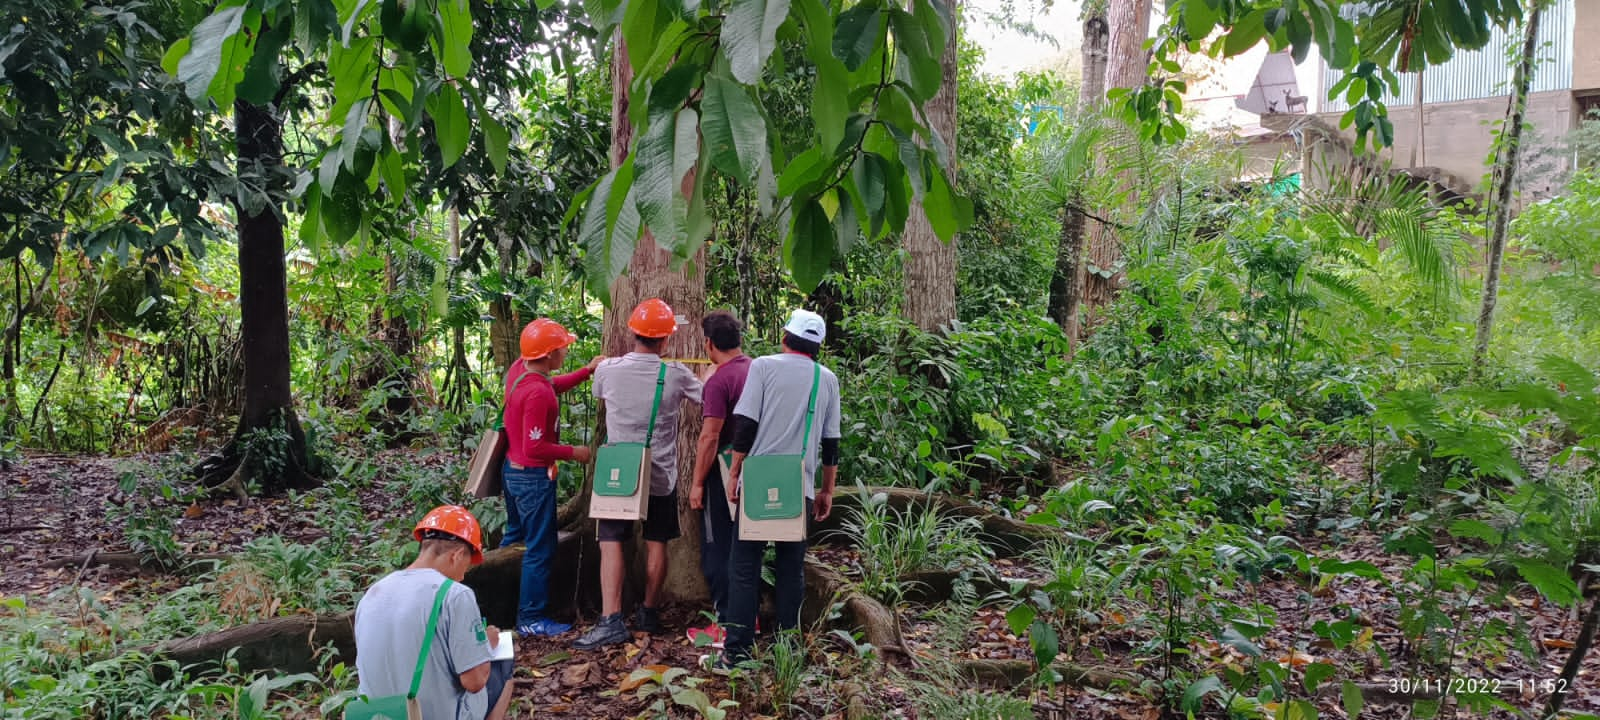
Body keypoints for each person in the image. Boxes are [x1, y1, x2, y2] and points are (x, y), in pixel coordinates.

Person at [574, 298, 703, 650]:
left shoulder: (608, 370)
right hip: (661, 473)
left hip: (619, 471)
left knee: (611, 542)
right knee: (657, 541)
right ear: (664, 341)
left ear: (632, 332)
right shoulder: (675, 373)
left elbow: (600, 392)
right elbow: (704, 397)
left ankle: (611, 619)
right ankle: (648, 611)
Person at [719, 309, 842, 666]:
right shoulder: (827, 379)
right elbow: (831, 441)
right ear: (817, 347)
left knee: (744, 566)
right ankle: (788, 649)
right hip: (798, 484)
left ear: (785, 337)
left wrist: (735, 471)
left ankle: (737, 652)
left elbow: (745, 424)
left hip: (758, 479)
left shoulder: (763, 366)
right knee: (791, 568)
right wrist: (827, 490)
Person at [354, 506, 514, 720]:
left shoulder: (373, 593)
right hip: (431, 715)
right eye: (465, 568)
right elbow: (474, 682)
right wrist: (486, 644)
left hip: (380, 714)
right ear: (457, 556)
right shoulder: (455, 594)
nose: (462, 578)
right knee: (504, 667)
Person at [502, 318, 603, 638]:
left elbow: (552, 385)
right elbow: (535, 447)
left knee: (515, 539)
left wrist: (587, 371)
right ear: (548, 355)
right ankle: (530, 618)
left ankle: (498, 597)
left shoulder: (521, 370)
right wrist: (573, 452)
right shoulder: (537, 395)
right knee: (540, 548)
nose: (565, 351)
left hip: (512, 472)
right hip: (531, 478)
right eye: (561, 348)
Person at [685, 311, 751, 648]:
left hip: (723, 472)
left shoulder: (718, 382)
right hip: (755, 469)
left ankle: (725, 624)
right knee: (745, 547)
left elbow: (709, 436)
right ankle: (746, 617)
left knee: (718, 548)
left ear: (708, 344)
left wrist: (697, 482)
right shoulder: (755, 370)